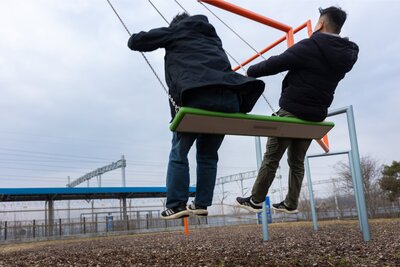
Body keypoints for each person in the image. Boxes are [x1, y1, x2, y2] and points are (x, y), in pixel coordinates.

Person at [128, 13, 265, 219]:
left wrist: (163, 35)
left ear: (176, 24)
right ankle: (201, 203)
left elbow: (135, 42)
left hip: (196, 98)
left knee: (179, 152)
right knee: (208, 155)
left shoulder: (176, 31)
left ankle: (176, 204)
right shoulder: (212, 37)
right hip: (228, 100)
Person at [236, 6, 359, 214]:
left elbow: (277, 63)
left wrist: (250, 71)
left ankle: (256, 199)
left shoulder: (311, 46)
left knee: (272, 157)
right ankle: (291, 202)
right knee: (297, 161)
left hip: (292, 112)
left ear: (320, 24)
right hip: (316, 117)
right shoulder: (346, 56)